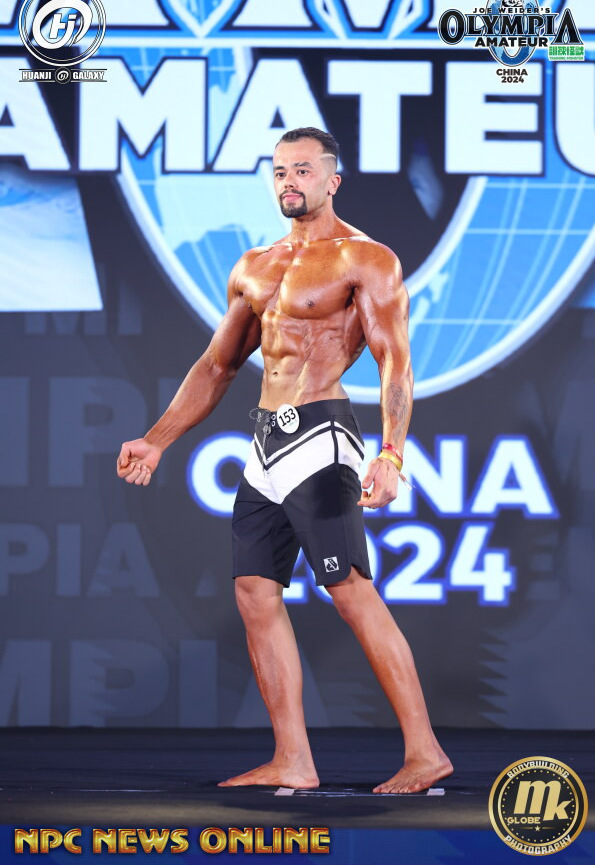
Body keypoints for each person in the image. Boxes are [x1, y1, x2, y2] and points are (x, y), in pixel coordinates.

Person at [116, 127, 453, 794]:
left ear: (332, 180)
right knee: (253, 592)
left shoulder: (365, 259)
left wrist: (391, 452)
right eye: (279, 172)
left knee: (349, 590)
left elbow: (396, 362)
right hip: (265, 443)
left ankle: (425, 752)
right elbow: (217, 365)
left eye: (302, 170)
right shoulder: (255, 266)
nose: (288, 182)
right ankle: (293, 758)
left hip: (322, 436)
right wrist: (157, 438)